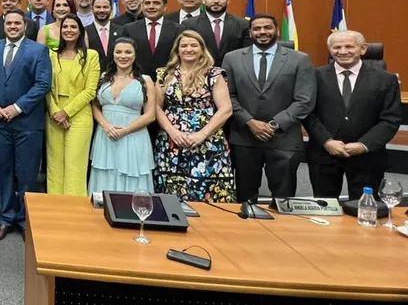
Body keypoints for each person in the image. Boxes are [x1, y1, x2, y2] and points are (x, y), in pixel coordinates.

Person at [222, 14, 316, 202]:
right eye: (257, 28)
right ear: (250, 32)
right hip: (244, 137)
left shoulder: (299, 59)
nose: (262, 32)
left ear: (277, 31)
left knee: (283, 199)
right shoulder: (232, 58)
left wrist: (273, 124)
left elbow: (304, 100)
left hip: (284, 139)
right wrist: (249, 121)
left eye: (267, 27)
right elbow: (227, 95)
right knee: (244, 197)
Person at [304, 30, 401, 201]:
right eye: (337, 47)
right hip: (324, 156)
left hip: (367, 158)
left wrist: (363, 145)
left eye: (349, 46)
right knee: (325, 210)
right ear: (330, 50)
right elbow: (307, 113)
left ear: (363, 49)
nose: (342, 51)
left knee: (365, 210)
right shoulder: (313, 76)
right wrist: (327, 141)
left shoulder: (386, 80)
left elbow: (390, 119)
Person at [0, 9, 52, 241]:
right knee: (2, 171)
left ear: (25, 25)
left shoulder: (39, 50)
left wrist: (18, 107)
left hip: (27, 122)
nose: (12, 26)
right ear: (4, 25)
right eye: (9, 23)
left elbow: (43, 84)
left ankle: (24, 220)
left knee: (26, 173)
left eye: (17, 23)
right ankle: (5, 218)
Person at [153, 31, 235, 201]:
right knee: (171, 194)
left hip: (208, 143)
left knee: (208, 193)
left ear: (202, 49)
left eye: (193, 45)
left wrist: (202, 134)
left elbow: (226, 109)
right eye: (184, 45)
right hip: (172, 143)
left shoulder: (214, 74)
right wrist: (172, 132)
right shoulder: (165, 74)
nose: (188, 49)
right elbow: (156, 107)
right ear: (177, 50)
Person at [89, 38, 157, 193]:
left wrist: (125, 130)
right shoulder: (104, 78)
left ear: (135, 55)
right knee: (105, 176)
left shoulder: (145, 81)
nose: (123, 56)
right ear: (113, 55)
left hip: (134, 138)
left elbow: (150, 115)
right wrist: (106, 126)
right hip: (106, 136)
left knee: (132, 177)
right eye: (118, 52)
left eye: (128, 52)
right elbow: (94, 105)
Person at [45, 14, 100, 196]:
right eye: (65, 27)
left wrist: (66, 112)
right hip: (54, 114)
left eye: (73, 27)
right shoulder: (50, 55)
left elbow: (90, 90)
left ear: (80, 31)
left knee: (74, 165)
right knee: (55, 165)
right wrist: (55, 112)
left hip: (79, 115)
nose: (69, 30)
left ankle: (74, 215)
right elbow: (44, 87)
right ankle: (55, 211)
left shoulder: (90, 56)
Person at [180, 0, 250, 65]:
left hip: (233, 73)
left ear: (228, 0)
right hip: (201, 72)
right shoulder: (189, 24)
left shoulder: (243, 24)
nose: (216, 1)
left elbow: (246, 54)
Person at [121, 0, 179, 79]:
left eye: (156, 3)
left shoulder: (177, 29)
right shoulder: (129, 29)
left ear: (165, 7)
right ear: (142, 6)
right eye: (147, 3)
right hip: (137, 80)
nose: (151, 6)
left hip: (169, 81)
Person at [85, 0, 122, 66]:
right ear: (92, 9)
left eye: (105, 7)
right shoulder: (85, 32)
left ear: (111, 9)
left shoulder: (121, 30)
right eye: (98, 7)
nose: (101, 10)